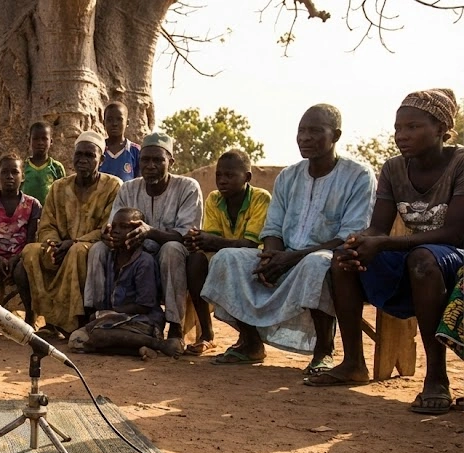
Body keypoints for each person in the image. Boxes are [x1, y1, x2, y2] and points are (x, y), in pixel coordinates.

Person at [318, 90, 464, 415]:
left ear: (441, 128)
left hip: (455, 262)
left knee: (423, 259)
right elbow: (378, 228)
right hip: (416, 256)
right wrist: (360, 241)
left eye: (412, 127)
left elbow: (455, 232)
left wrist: (383, 243)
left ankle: (437, 377)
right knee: (344, 259)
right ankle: (353, 362)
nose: (402, 136)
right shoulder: (394, 168)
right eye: (398, 128)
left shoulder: (460, 162)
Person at [201, 104, 376, 370]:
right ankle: (250, 343)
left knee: (315, 263)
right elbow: (273, 228)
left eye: (315, 131)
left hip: (329, 258)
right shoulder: (288, 176)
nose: (305, 138)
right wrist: (270, 256)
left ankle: (323, 350)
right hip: (285, 254)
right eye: (301, 131)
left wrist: (290, 258)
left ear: (336, 136)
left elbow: (349, 237)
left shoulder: (358, 176)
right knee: (228, 258)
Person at [85, 132, 203, 341]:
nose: (150, 165)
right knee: (98, 249)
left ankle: (175, 325)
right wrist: (109, 236)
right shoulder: (128, 188)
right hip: (133, 255)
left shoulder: (187, 187)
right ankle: (95, 315)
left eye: (158, 160)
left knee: (172, 250)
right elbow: (113, 225)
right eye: (145, 160)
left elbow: (186, 235)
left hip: (171, 258)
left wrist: (151, 232)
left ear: (171, 162)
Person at [17, 131, 122, 335]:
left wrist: (74, 242)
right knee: (30, 251)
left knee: (77, 252)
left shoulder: (113, 186)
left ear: (102, 159)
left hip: (94, 246)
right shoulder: (59, 187)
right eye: (79, 155)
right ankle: (47, 319)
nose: (82, 160)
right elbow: (47, 224)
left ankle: (73, 322)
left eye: (89, 156)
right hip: (61, 246)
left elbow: (108, 227)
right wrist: (54, 244)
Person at [182, 149, 272, 355]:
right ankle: (206, 333)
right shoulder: (214, 199)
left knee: (229, 261)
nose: (222, 180)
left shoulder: (260, 199)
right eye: (218, 175)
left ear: (247, 177)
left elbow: (251, 244)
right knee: (196, 260)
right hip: (225, 255)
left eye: (229, 175)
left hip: (255, 260)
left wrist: (211, 241)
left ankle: (250, 339)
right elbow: (210, 241)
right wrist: (197, 240)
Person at [69, 208, 184, 358]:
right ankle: (137, 349)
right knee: (76, 341)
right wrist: (107, 315)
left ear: (139, 232)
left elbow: (145, 305)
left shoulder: (144, 261)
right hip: (117, 320)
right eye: (114, 226)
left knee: (95, 336)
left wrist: (111, 312)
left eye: (124, 227)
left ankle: (158, 344)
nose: (116, 231)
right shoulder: (110, 257)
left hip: (143, 320)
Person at [0, 154, 42, 324]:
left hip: (22, 256)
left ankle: (30, 314)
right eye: (4, 172)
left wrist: (14, 259)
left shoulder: (32, 205)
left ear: (23, 175)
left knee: (22, 271)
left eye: (15, 172)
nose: (9, 176)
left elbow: (30, 241)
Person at [22, 121, 67, 205]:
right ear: (29, 141)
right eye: (35, 139)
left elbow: (62, 195)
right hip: (25, 215)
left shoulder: (57, 167)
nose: (40, 143)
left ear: (51, 141)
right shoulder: (22, 167)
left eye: (44, 139)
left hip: (49, 215)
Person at [99, 101, 141, 182]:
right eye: (110, 120)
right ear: (104, 123)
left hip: (128, 195)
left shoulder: (135, 151)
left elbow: (140, 182)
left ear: (127, 123)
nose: (114, 123)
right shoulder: (98, 149)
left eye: (119, 119)